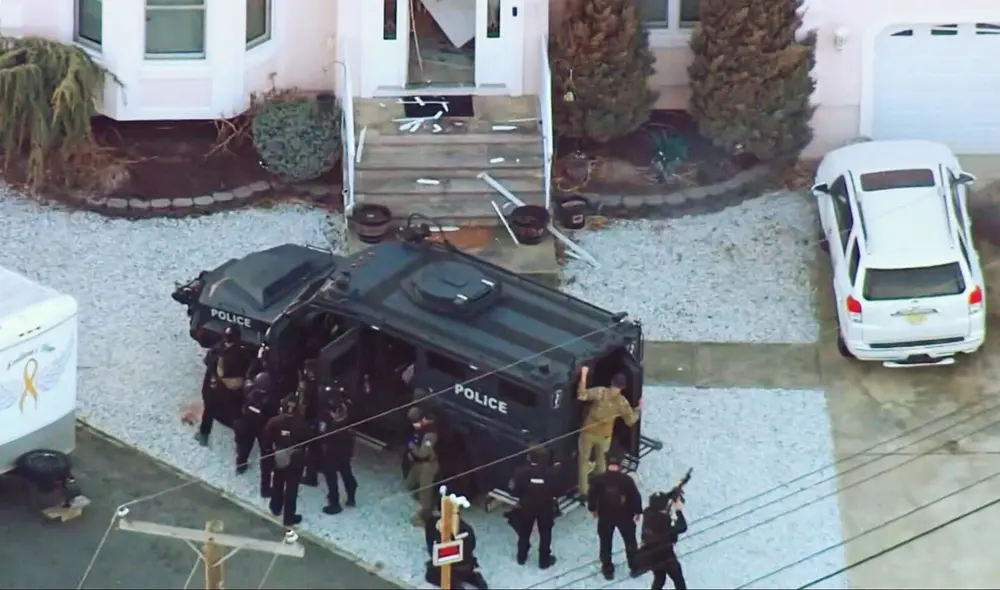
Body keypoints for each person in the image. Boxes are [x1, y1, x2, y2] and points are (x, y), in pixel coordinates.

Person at [576, 368, 641, 501]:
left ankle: (584, 492)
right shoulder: (622, 402)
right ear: (622, 388)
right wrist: (638, 410)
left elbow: (582, 395)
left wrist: (584, 375)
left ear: (611, 383)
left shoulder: (600, 392)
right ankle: (600, 489)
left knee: (584, 462)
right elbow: (630, 421)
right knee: (601, 463)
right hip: (604, 436)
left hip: (588, 433)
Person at [588, 449, 642, 581]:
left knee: (605, 542)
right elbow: (635, 496)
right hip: (625, 516)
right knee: (630, 541)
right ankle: (635, 566)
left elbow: (592, 496)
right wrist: (638, 511)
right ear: (620, 464)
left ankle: (607, 569)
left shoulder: (598, 479)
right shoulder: (627, 480)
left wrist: (593, 509)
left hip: (605, 516)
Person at [197, 326, 254, 447]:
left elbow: (207, 361)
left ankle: (204, 434)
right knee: (234, 414)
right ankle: (240, 441)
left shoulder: (218, 348)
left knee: (210, 409)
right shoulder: (241, 351)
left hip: (217, 388)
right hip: (230, 389)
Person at [262, 395, 311, 527]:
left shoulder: (274, 422)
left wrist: (271, 453)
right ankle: (289, 517)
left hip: (279, 456)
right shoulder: (302, 424)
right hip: (296, 459)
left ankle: (275, 507)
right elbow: (307, 441)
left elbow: (266, 440)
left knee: (277, 481)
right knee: (291, 488)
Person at [509, 447, 559, 569]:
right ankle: (544, 561)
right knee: (545, 533)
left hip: (526, 507)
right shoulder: (552, 472)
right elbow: (558, 490)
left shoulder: (521, 471)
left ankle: (521, 557)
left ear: (529, 457)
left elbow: (515, 492)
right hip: (546, 507)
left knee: (524, 532)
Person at [317, 382, 358, 515]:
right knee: (345, 468)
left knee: (331, 475)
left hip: (332, 448)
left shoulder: (325, 415)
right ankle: (351, 493)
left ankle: (334, 503)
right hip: (346, 446)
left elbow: (322, 432)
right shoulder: (348, 409)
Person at [235, 371, 281, 487]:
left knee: (244, 447)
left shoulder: (249, 390)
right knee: (265, 451)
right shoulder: (272, 399)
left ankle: (241, 465)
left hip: (248, 424)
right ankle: (267, 471)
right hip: (263, 428)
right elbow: (274, 413)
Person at [424, 510, 489, 589]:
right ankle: (471, 575)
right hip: (468, 566)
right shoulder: (463, 526)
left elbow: (434, 553)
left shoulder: (432, 525)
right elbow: (471, 545)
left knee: (431, 574)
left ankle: (454, 583)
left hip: (453, 568)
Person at [640, 492, 688, 590]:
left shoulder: (647, 513)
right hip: (666, 555)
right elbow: (682, 527)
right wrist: (678, 510)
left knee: (660, 578)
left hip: (651, 555)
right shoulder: (663, 521)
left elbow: (660, 500)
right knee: (678, 578)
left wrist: (673, 492)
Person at [404, 406, 439, 527]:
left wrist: (411, 446)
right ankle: (430, 503)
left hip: (429, 465)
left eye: (416, 422)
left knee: (425, 492)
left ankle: (426, 516)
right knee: (409, 485)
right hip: (419, 463)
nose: (415, 425)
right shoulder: (420, 429)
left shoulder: (431, 433)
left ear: (423, 419)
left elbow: (423, 453)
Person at [297, 360, 322, 487]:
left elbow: (304, 405)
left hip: (310, 420)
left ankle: (311, 477)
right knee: (316, 447)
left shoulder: (308, 386)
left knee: (309, 449)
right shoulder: (321, 382)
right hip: (319, 419)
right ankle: (319, 466)